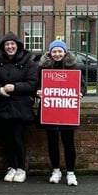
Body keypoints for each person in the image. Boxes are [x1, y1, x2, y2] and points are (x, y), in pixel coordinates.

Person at [37, 39, 87, 186]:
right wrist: (37, 92)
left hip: (67, 110)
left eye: (60, 51)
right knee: (52, 142)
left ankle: (71, 173)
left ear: (65, 52)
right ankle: (56, 170)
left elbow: (83, 86)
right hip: (49, 109)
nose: (57, 54)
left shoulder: (74, 67)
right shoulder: (42, 68)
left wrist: (80, 94)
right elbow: (36, 85)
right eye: (54, 51)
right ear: (50, 53)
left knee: (68, 142)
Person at [0, 32, 39, 183]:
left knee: (17, 138)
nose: (10, 47)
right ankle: (11, 166)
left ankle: (21, 168)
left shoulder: (29, 63)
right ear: (3, 47)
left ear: (18, 46)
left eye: (12, 44)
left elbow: (33, 84)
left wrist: (15, 87)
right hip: (3, 106)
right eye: (7, 45)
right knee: (6, 139)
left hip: (20, 107)